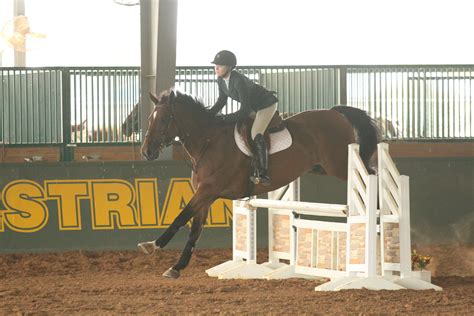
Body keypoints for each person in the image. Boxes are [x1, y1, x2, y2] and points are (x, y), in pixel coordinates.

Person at [207, 50, 278, 185]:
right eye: (215, 65)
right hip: (253, 107)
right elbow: (222, 101)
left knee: (255, 133)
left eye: (220, 65)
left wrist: (223, 119)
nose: (216, 67)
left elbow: (244, 111)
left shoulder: (238, 80)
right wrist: (209, 115)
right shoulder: (221, 80)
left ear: (230, 66)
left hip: (266, 104)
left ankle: (263, 173)